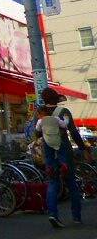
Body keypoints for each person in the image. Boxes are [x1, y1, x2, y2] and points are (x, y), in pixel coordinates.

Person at [38, 87, 92, 228]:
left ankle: (53, 214)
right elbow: (73, 132)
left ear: (44, 100)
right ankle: (76, 216)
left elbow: (35, 133)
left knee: (53, 182)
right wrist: (83, 148)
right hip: (64, 151)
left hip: (48, 150)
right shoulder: (64, 112)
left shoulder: (39, 113)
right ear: (57, 99)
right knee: (71, 182)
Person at [35, 104, 69, 178]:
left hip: (47, 140)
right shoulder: (56, 118)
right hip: (57, 139)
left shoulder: (40, 121)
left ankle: (50, 168)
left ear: (40, 114)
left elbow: (38, 130)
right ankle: (64, 164)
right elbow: (64, 125)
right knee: (62, 152)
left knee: (48, 155)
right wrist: (66, 119)